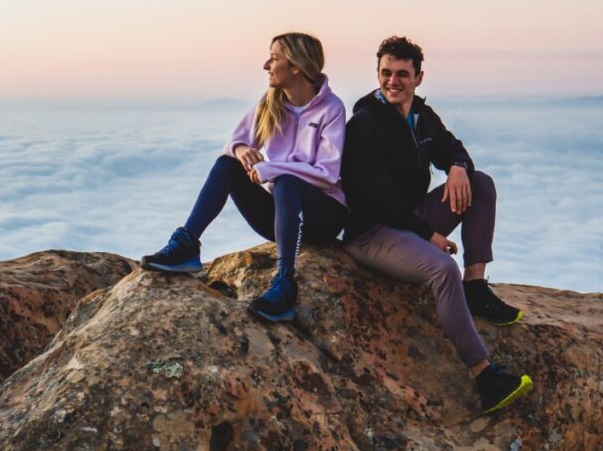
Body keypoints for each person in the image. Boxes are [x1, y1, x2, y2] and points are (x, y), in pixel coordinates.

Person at [340, 35, 533, 414]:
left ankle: (475, 287)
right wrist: (427, 234)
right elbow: (377, 200)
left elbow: (452, 147)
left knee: (480, 185)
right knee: (444, 270)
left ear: (419, 77)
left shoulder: (421, 117)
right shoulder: (364, 123)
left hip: (411, 216)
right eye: (385, 73)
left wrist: (458, 167)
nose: (392, 81)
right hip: (373, 231)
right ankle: (484, 376)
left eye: (402, 74)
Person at [141, 33, 347, 322]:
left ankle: (285, 282)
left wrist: (274, 170)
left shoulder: (331, 108)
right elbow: (232, 144)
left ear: (297, 67)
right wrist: (241, 150)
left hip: (323, 215)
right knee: (227, 165)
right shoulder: (271, 101)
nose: (266, 65)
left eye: (274, 58)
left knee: (286, 182)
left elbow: (327, 174)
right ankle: (188, 243)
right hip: (282, 215)